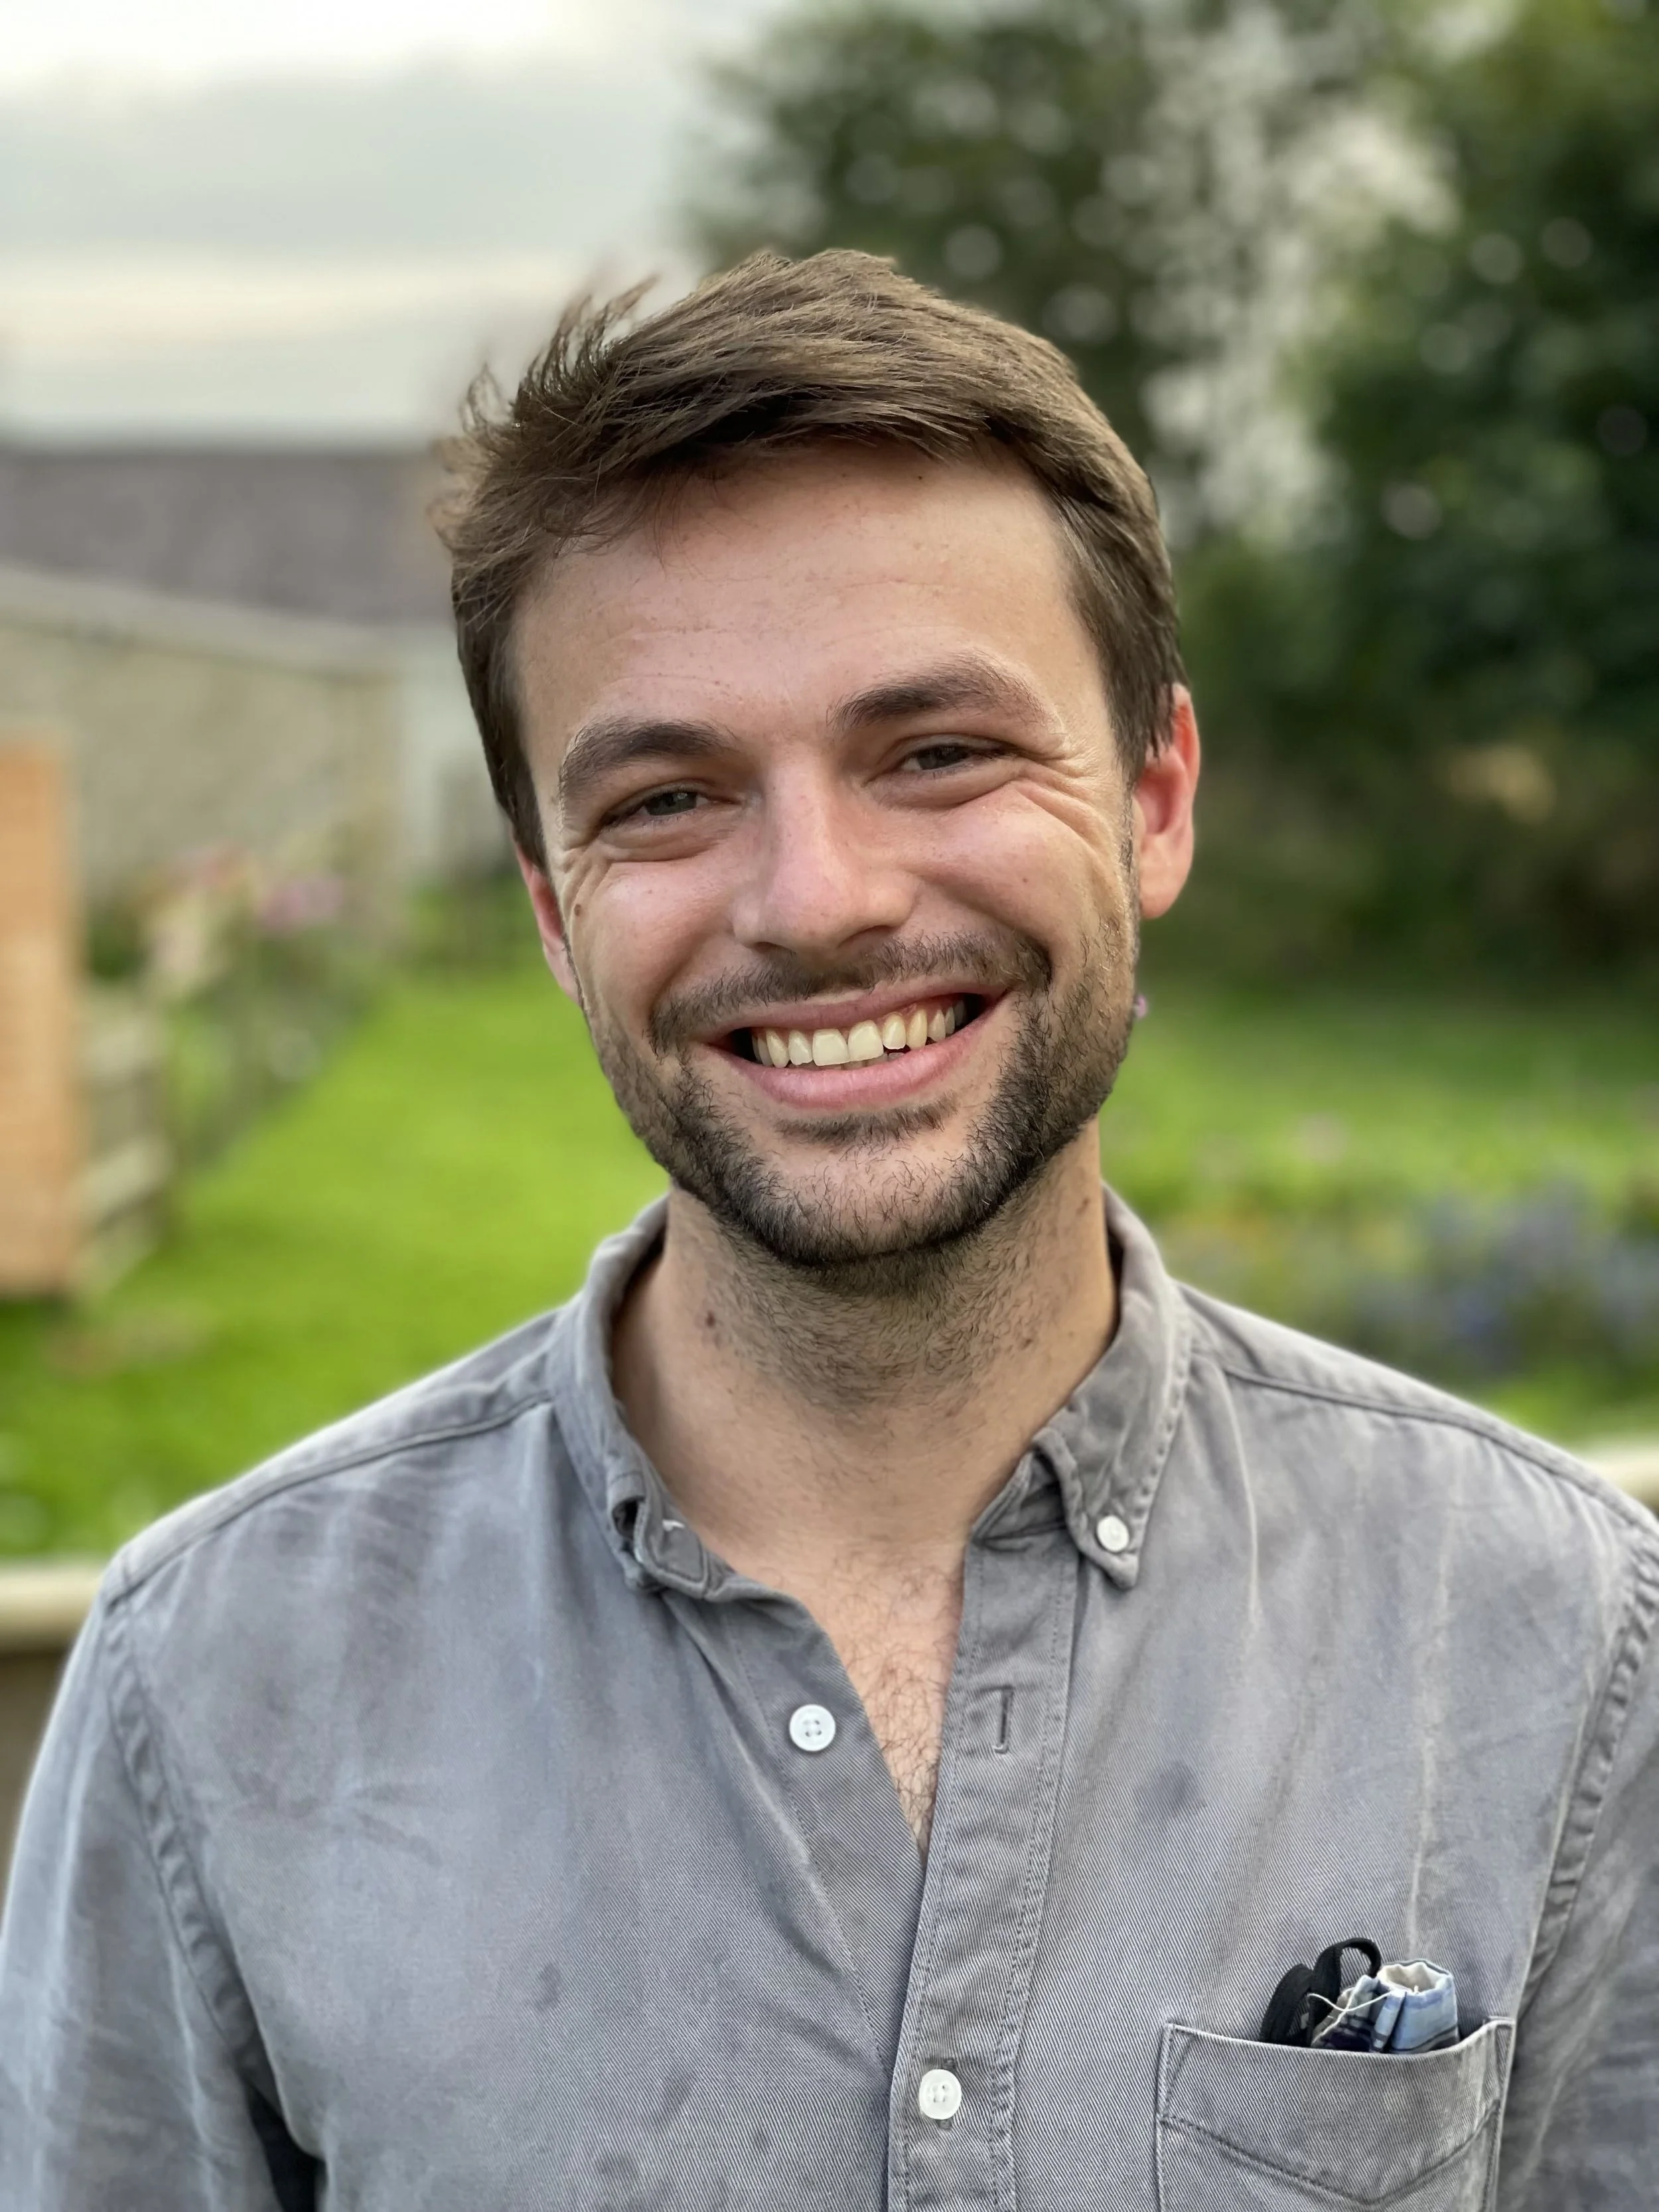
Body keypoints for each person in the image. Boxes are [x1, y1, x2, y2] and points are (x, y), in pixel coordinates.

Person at [2, 252, 1654, 2211]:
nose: (815, 898)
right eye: (671, 795)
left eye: (936, 752)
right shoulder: (215, 1685)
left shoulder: (1558, 1638)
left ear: (1154, 797)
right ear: (550, 908)